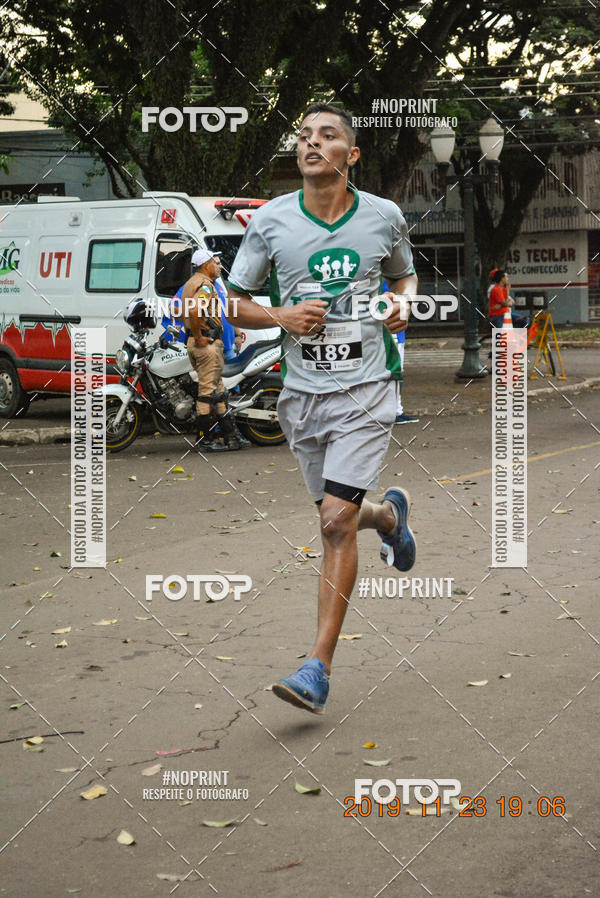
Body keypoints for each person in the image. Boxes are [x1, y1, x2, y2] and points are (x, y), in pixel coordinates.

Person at [227, 102, 417, 714]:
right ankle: (389, 517)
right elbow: (233, 301)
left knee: (334, 522)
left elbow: (405, 276)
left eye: (327, 135)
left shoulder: (383, 216)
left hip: (367, 389)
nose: (311, 143)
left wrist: (403, 303)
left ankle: (318, 668)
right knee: (344, 516)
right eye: (304, 135)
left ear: (350, 154)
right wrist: (281, 315)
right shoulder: (271, 221)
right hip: (302, 396)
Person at [181, 249, 248, 452]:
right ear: (205, 265)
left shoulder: (190, 283)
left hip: (202, 343)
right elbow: (195, 310)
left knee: (219, 392)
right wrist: (199, 336)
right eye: (214, 262)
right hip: (206, 345)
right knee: (207, 393)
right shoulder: (205, 285)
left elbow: (184, 312)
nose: (219, 266)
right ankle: (205, 440)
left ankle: (231, 437)